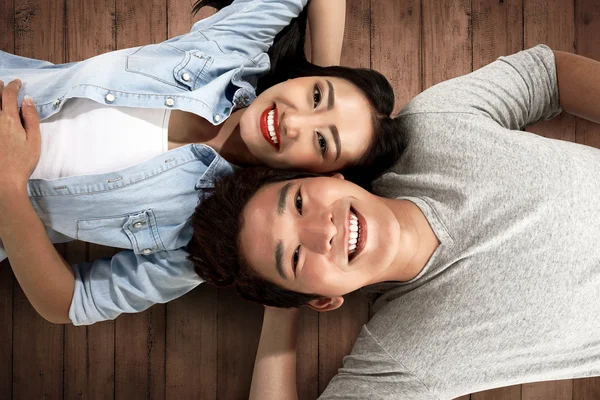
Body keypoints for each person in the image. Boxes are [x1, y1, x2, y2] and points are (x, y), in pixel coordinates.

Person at [188, 45, 600, 399]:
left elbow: (545, 73)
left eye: (298, 202)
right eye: (294, 256)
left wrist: (295, 276)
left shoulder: (436, 124)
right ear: (323, 300)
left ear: (328, 176)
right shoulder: (406, 356)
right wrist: (283, 302)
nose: (323, 230)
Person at [0, 0, 406, 326]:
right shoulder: (228, 55)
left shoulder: (204, 242)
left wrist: (10, 188)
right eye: (316, 96)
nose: (293, 120)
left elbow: (68, 304)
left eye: (322, 142)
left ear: (314, 174)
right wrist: (324, 64)